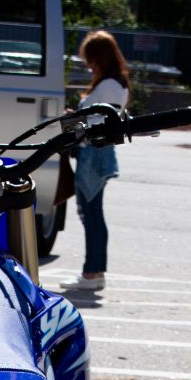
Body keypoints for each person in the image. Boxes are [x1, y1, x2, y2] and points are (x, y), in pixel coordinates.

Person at [60, 30, 129, 295]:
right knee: (93, 214)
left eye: (90, 58)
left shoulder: (109, 85)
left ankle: (91, 272)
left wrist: (76, 117)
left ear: (100, 57)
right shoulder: (113, 83)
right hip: (97, 151)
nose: (88, 65)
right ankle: (95, 271)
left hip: (94, 153)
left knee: (91, 214)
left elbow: (101, 121)